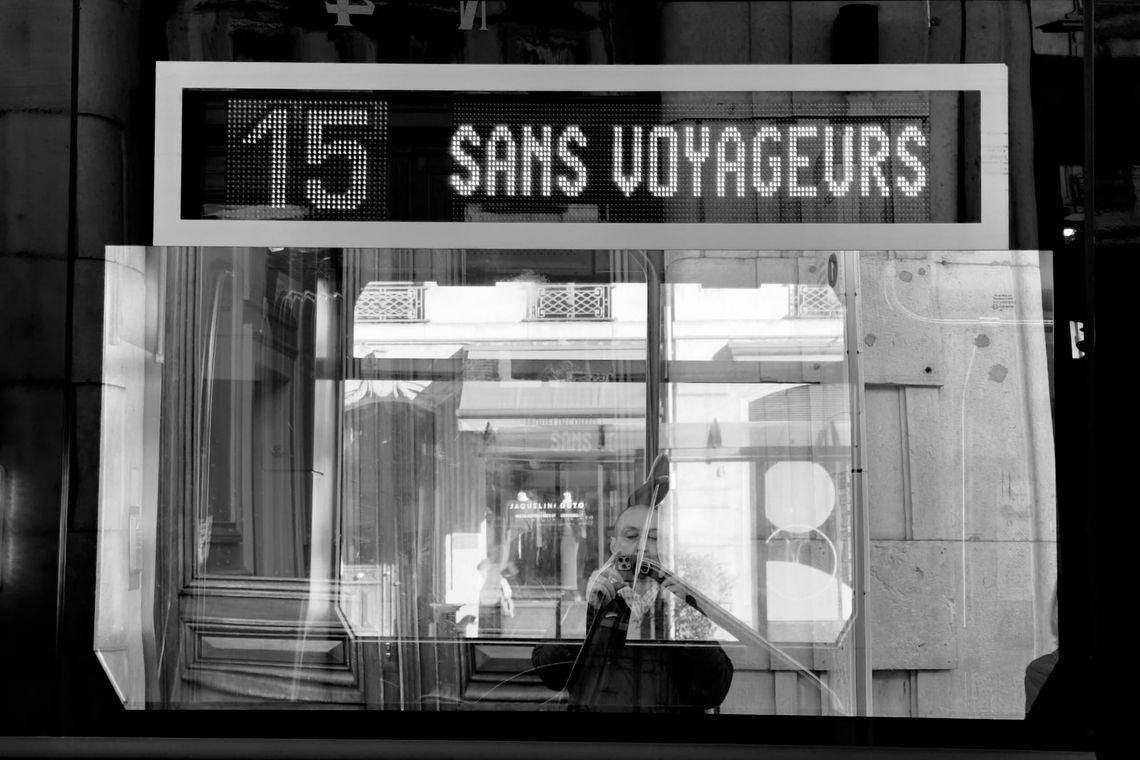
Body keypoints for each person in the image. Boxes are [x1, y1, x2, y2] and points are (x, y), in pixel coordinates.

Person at [531, 491, 734, 712]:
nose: (642, 547)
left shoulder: (679, 601)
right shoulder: (588, 596)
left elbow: (715, 689)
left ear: (666, 546)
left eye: (653, 537)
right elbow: (550, 674)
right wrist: (586, 611)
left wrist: (685, 615)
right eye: (631, 536)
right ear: (613, 545)